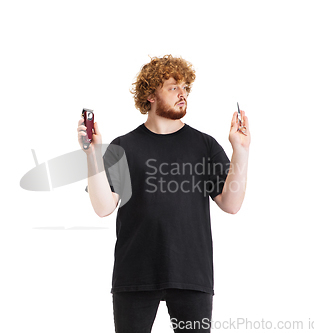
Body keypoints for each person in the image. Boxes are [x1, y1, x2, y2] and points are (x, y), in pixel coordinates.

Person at [77, 55, 250, 333]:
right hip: (135, 275)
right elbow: (103, 207)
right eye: (173, 87)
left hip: (191, 275)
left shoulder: (204, 145)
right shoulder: (123, 146)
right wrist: (92, 155)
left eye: (185, 88)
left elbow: (231, 204)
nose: (182, 94)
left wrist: (240, 151)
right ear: (150, 95)